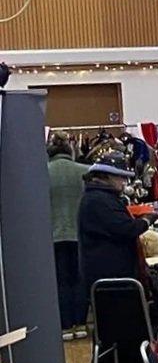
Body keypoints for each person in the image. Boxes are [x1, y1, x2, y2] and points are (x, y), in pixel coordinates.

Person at [77, 160, 149, 326]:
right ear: (107, 177)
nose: (124, 183)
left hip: (108, 273)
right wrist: (146, 221)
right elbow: (125, 228)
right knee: (120, 326)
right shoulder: (100, 200)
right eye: (121, 178)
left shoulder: (97, 197)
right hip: (111, 277)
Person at [46, 139, 88, 336]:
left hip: (54, 235)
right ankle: (80, 324)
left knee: (61, 281)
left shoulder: (42, 172)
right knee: (79, 279)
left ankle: (65, 326)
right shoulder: (85, 171)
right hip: (80, 234)